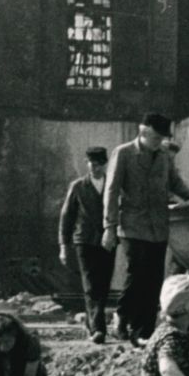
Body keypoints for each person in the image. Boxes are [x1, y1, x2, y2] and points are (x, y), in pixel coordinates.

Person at [104, 113, 189, 344]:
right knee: (136, 275)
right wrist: (109, 227)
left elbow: (175, 182)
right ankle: (122, 317)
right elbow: (111, 191)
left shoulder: (163, 156)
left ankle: (143, 331)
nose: (159, 142)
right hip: (133, 226)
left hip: (158, 227)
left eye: (162, 138)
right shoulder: (123, 153)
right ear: (143, 133)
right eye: (156, 138)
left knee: (153, 279)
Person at [59, 147, 113, 343]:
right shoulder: (78, 187)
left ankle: (92, 325)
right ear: (87, 164)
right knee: (91, 284)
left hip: (108, 241)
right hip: (84, 241)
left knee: (104, 284)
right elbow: (66, 218)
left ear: (104, 164)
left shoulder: (112, 185)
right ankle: (99, 329)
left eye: (98, 164)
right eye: (91, 164)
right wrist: (63, 245)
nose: (94, 168)